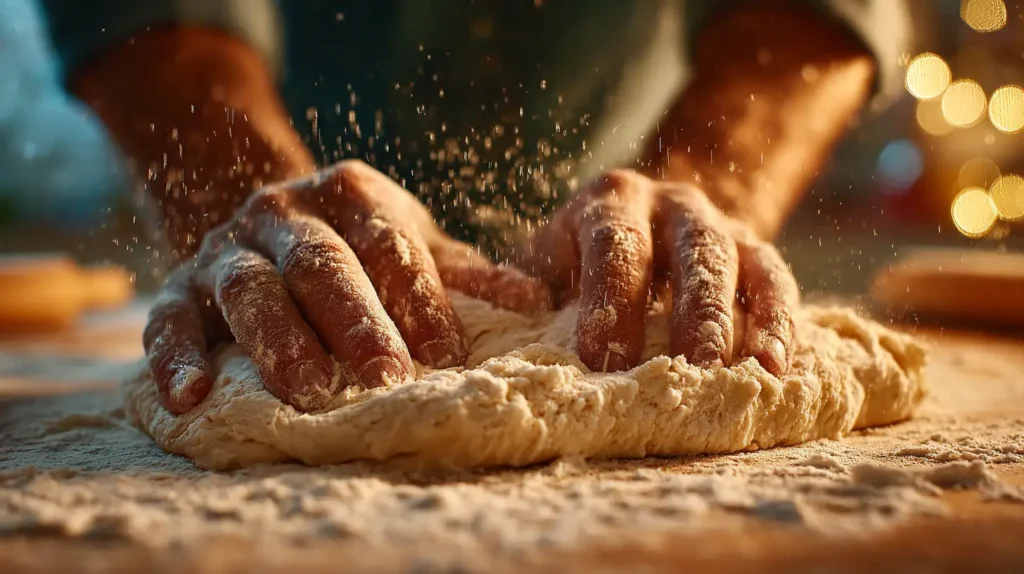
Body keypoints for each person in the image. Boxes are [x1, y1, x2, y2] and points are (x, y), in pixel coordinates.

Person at [42, 0, 913, 414]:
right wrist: (249, 201)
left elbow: (810, 20)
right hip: (281, 242)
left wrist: (707, 194)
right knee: (297, 299)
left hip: (617, 249)